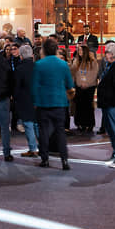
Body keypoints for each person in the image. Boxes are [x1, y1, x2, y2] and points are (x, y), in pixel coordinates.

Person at [32, 38, 75, 170]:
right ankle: (64, 160)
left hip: (43, 103)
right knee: (60, 132)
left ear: (43, 50)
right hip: (60, 102)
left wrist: (35, 102)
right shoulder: (63, 64)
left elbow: (34, 86)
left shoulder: (38, 65)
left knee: (43, 132)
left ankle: (45, 159)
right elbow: (69, 85)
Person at [14, 44, 40, 158]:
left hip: (25, 100)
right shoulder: (38, 67)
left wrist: (15, 98)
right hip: (39, 98)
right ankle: (43, 147)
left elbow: (16, 87)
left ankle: (33, 148)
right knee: (38, 124)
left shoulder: (19, 69)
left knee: (28, 125)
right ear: (32, 55)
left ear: (21, 56)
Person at [70, 44, 99, 135]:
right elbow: (74, 73)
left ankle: (89, 124)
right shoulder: (76, 61)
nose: (80, 52)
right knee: (79, 105)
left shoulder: (93, 62)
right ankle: (80, 124)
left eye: (81, 51)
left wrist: (87, 83)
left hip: (89, 87)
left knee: (88, 106)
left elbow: (94, 74)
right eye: (79, 51)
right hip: (79, 86)